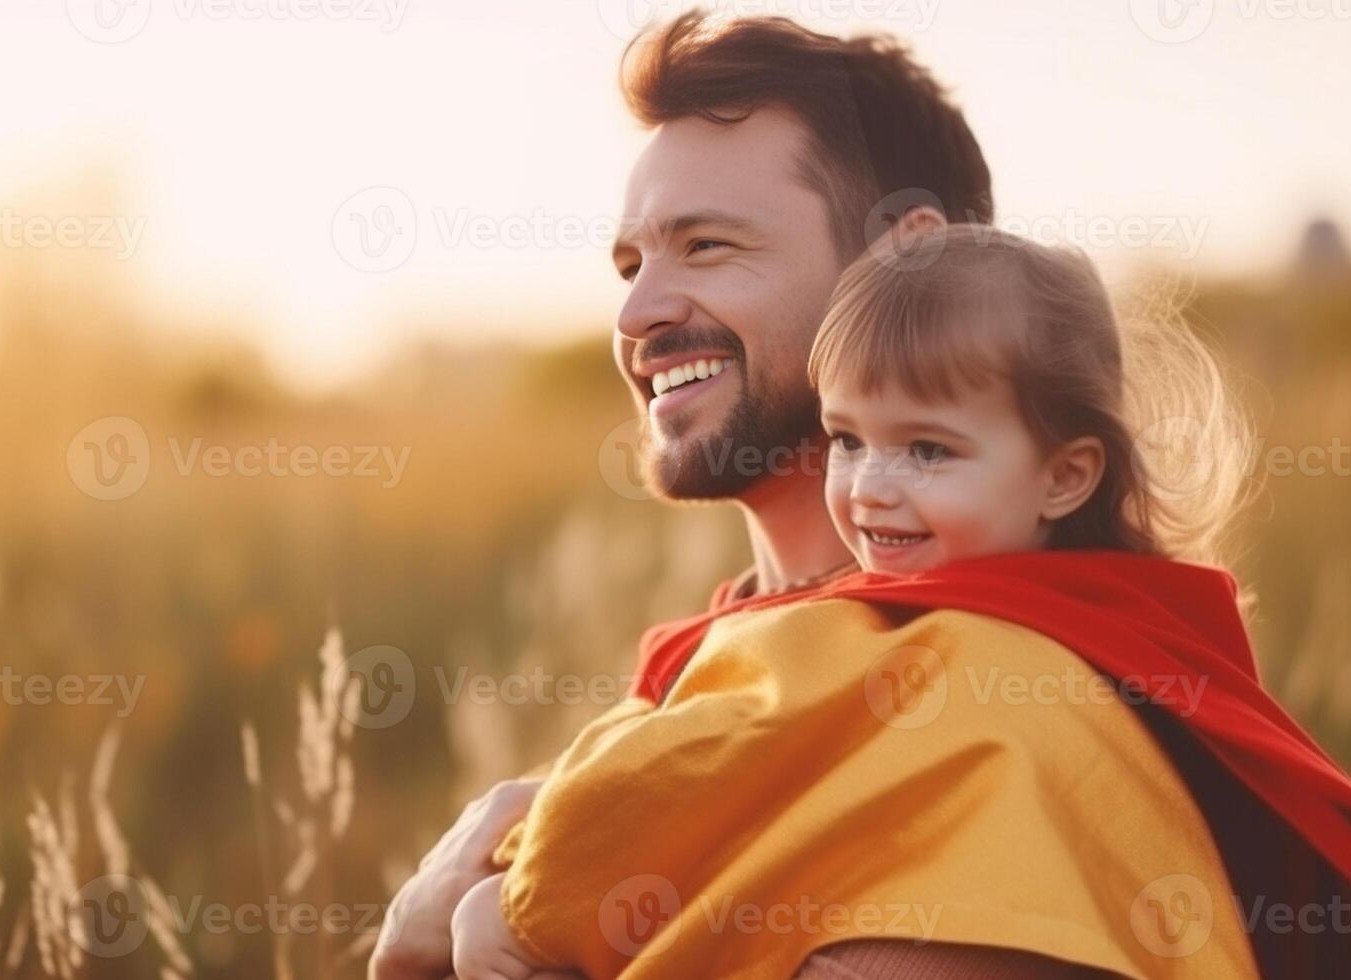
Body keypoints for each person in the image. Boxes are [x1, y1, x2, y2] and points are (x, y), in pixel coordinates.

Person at [447, 227, 1351, 979]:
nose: (873, 487)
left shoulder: (906, 642)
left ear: (1065, 475)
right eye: (847, 439)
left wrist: (512, 894)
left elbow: (667, 779)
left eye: (927, 447)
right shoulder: (1124, 630)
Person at [370, 14, 1001, 978]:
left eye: (704, 246)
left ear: (905, 267)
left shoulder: (985, 708)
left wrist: (418, 949)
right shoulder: (703, 681)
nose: (635, 313)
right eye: (630, 264)